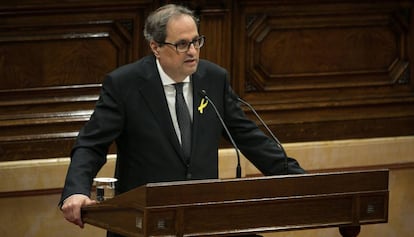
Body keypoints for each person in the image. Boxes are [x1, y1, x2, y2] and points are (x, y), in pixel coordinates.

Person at [59, 4, 305, 237]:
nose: (193, 51)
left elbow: (249, 138)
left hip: (202, 221)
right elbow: (91, 144)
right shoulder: (125, 84)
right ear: (155, 47)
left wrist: (300, 181)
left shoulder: (213, 79)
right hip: (145, 222)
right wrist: (77, 190)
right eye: (182, 44)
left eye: (197, 41)